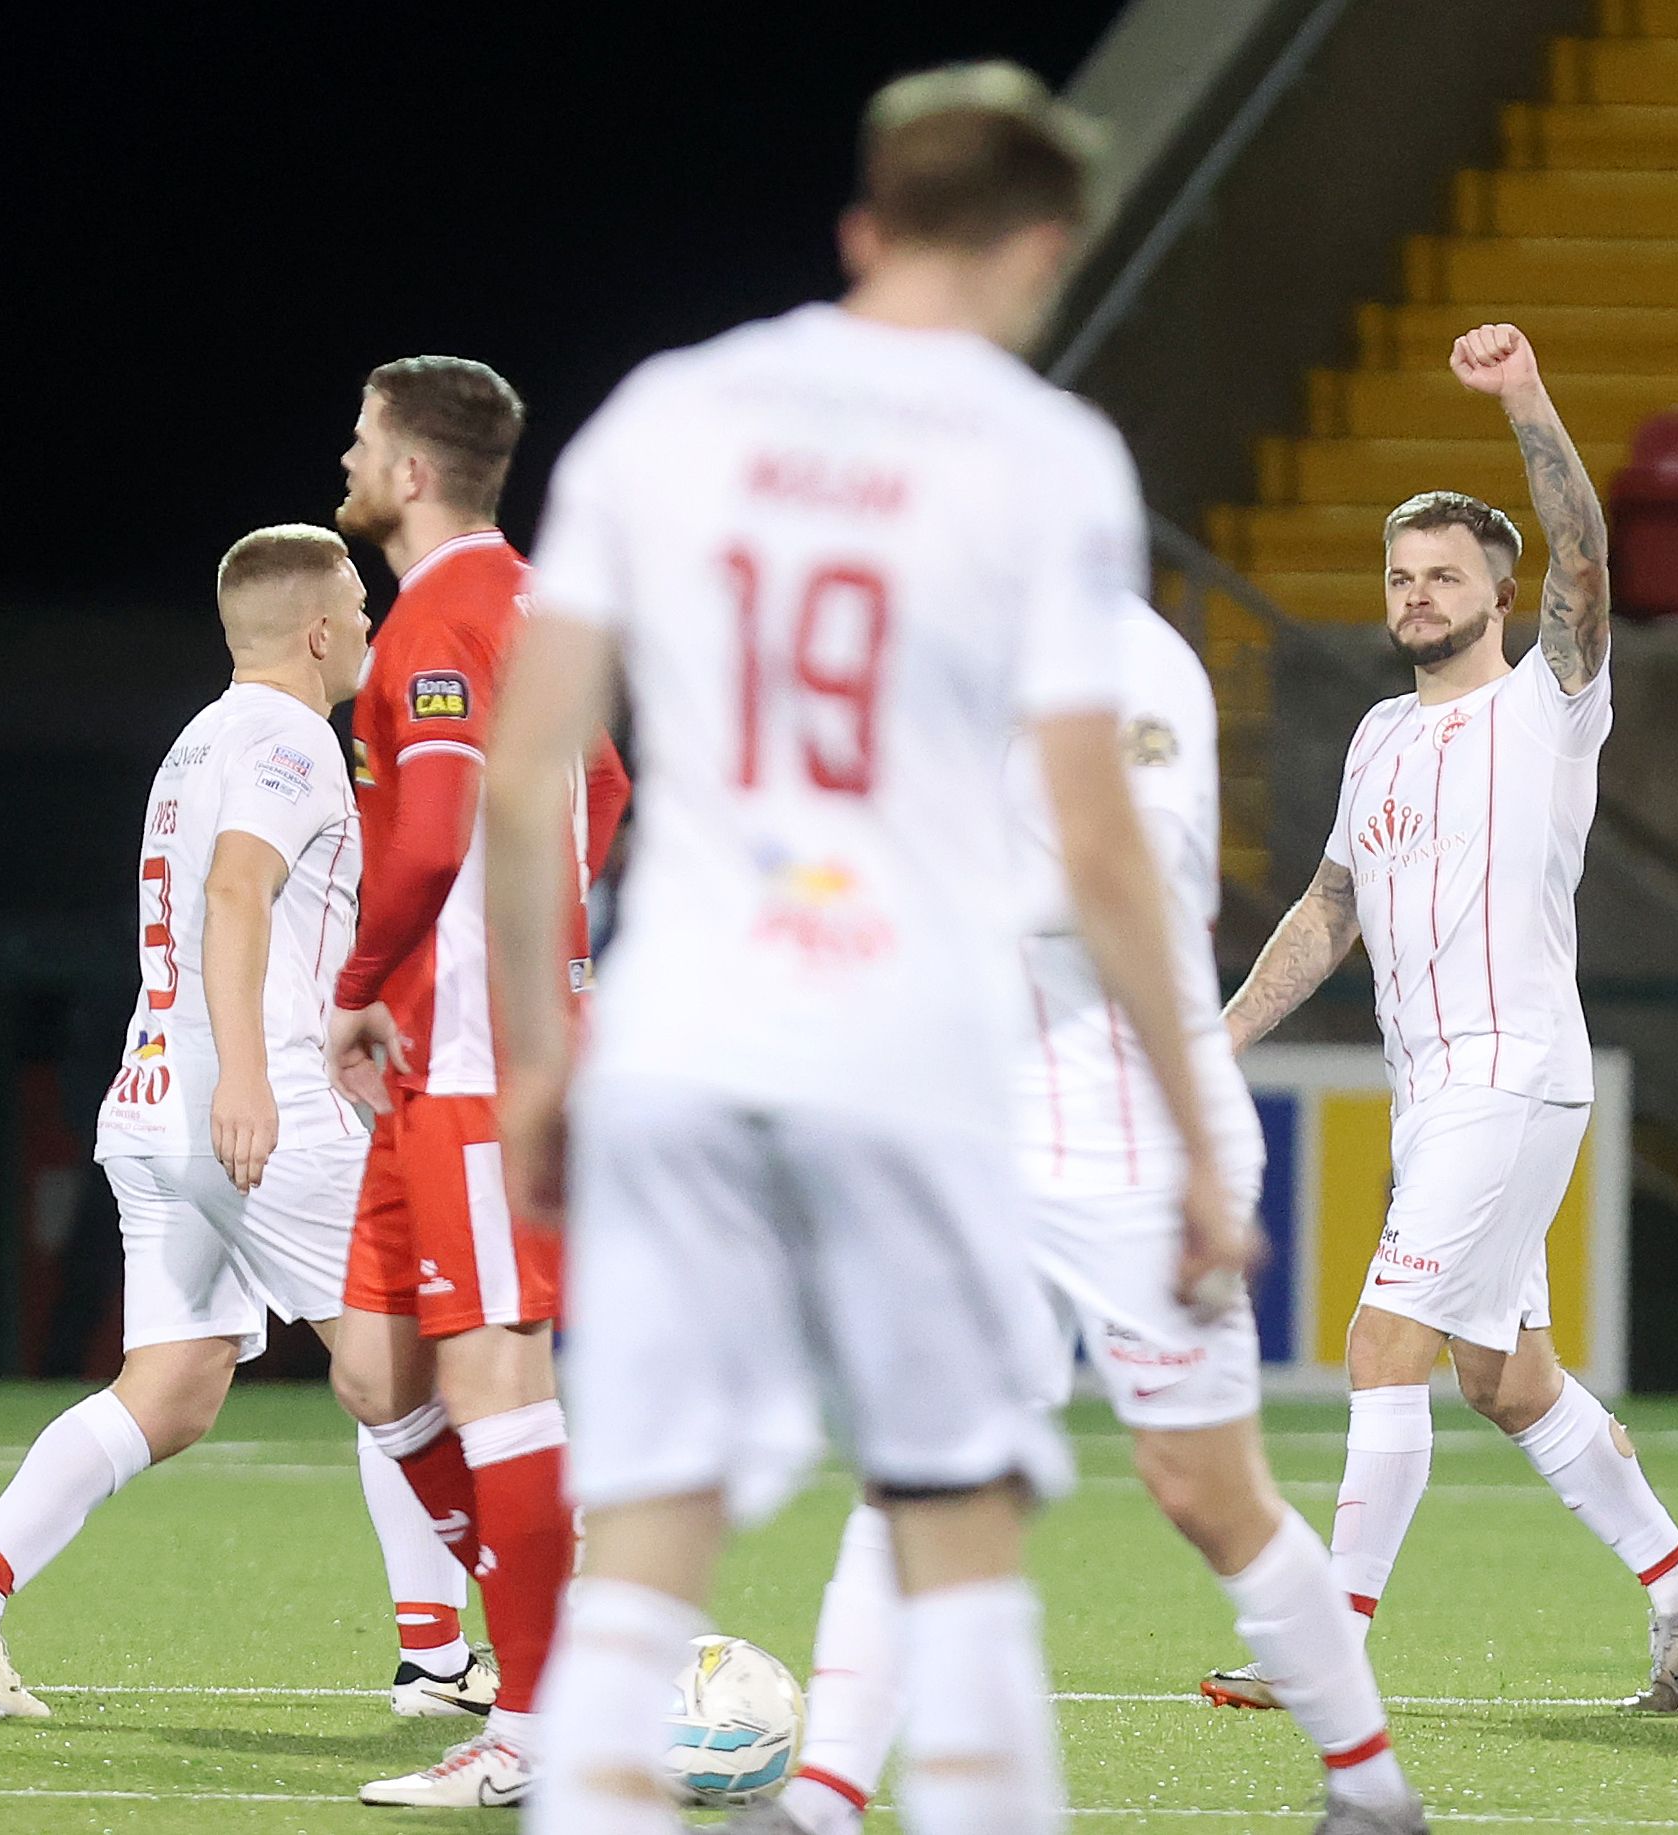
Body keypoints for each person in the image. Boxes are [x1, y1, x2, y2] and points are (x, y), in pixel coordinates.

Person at [481, 62, 1255, 1835]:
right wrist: (1204, 1135)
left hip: (680, 1031)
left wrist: (537, 1054)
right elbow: (1099, 838)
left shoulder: (667, 413)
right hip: (910, 1046)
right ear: (1044, 249)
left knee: (654, 1538)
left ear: (862, 227)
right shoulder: (1040, 455)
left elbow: (530, 783)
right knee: (954, 1526)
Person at [754, 591, 1422, 1835]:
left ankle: (1373, 1789)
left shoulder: (1129, 660)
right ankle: (821, 1798)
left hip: (1138, 1123)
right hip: (983, 1131)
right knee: (920, 1465)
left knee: (1202, 1487)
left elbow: (1115, 873)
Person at [1201, 324, 1678, 1717]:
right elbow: (1327, 904)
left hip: (1509, 1074)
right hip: (1429, 1087)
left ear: (1500, 591)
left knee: (1377, 1341)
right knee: (1504, 1381)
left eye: (1442, 571)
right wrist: (1217, 1037)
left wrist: (1521, 400)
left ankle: (1324, 1642)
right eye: (1396, 575)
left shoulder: (1547, 702)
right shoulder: (1378, 736)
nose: (1413, 592)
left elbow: (1586, 559)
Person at [0, 525, 486, 1723]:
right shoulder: (289, 738)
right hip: (257, 1111)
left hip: (156, 1103)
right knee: (402, 1371)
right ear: (319, 631)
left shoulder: (196, 739)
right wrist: (249, 1083)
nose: (372, 627)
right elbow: (234, 889)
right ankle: (443, 1661)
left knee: (171, 1388)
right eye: (361, 608)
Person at [323, 356, 629, 1807]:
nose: (347, 453)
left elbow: (434, 833)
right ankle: (567, 1656)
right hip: (450, 1047)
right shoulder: (531, 608)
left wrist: (358, 983)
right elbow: (608, 787)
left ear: (409, 472)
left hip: (469, 1052)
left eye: (363, 436)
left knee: (498, 1375)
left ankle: (544, 1717)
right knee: (376, 1365)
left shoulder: (441, 615)